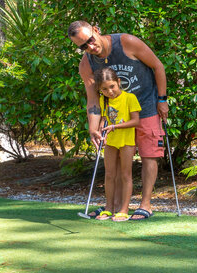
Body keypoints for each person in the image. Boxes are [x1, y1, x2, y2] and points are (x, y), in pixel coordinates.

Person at [69, 22, 169, 220]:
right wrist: (93, 128)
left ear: (96, 30)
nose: (90, 47)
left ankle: (145, 205)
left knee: (149, 155)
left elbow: (158, 66)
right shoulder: (86, 64)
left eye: (90, 40)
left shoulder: (126, 42)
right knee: (115, 163)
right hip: (115, 115)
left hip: (147, 106)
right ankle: (113, 206)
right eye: (83, 46)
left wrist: (162, 99)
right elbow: (93, 99)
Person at [93, 69, 141, 221]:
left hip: (126, 140)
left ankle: (124, 210)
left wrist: (114, 127)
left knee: (125, 175)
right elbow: (104, 118)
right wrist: (101, 127)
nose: (110, 91)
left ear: (118, 82)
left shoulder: (129, 98)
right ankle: (109, 208)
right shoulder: (104, 99)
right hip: (111, 141)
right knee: (109, 174)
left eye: (112, 86)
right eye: (104, 89)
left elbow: (135, 121)